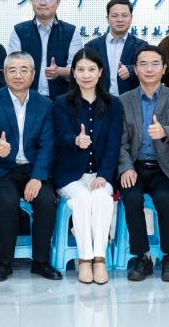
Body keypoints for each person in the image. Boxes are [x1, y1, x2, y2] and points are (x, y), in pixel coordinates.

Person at [0, 52, 62, 282]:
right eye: (12, 70)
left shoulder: (45, 104)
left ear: (33, 74)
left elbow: (48, 144)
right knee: (8, 203)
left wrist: (38, 177)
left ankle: (41, 262)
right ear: (4, 74)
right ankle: (4, 262)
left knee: (46, 201)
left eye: (24, 70)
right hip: (3, 169)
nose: (18, 75)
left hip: (34, 169)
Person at [53, 48, 124, 284]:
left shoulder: (113, 104)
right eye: (81, 69)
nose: (86, 75)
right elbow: (60, 135)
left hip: (101, 174)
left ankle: (99, 259)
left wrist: (104, 175)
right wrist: (75, 140)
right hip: (70, 175)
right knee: (83, 199)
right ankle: (85, 259)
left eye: (91, 69)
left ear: (100, 72)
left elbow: (114, 144)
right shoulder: (62, 103)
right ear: (73, 73)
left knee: (101, 198)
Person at [116, 47, 169, 282]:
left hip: (163, 168)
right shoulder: (124, 100)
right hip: (134, 166)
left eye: (155, 64)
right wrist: (126, 167)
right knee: (132, 199)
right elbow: (120, 141)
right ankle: (142, 256)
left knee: (165, 200)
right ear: (135, 69)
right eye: (143, 64)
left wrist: (165, 131)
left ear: (164, 69)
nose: (149, 69)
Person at [8, 0, 84, 98]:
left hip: (62, 99)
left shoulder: (71, 32)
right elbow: (12, 67)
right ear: (32, 1)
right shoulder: (19, 31)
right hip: (27, 98)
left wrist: (59, 71)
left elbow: (79, 69)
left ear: (58, 3)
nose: (43, 3)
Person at [84, 0, 148, 97]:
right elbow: (85, 71)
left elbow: (147, 68)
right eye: (114, 16)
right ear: (107, 19)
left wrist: (131, 70)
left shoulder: (141, 46)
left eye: (124, 15)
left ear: (131, 18)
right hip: (100, 100)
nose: (120, 20)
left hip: (131, 100)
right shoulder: (92, 46)